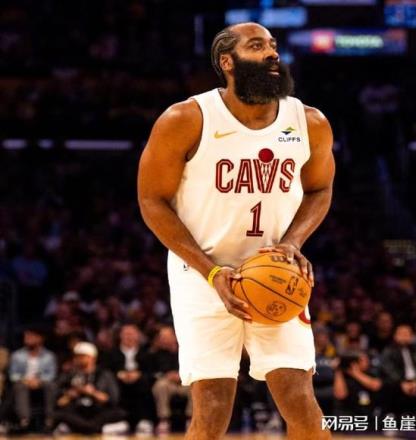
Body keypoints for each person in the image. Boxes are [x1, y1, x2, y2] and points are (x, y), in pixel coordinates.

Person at [138, 22, 335, 440]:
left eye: (273, 46)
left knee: (302, 405)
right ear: (227, 62)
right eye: (257, 46)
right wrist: (211, 272)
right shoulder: (185, 119)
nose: (272, 53)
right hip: (202, 274)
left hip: (274, 273)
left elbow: (320, 188)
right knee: (211, 413)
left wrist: (293, 241)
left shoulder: (310, 122)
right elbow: (152, 200)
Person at [53, 342, 126, 435]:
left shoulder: (104, 374)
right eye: (76, 356)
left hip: (98, 411)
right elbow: (59, 402)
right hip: (78, 410)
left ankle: (81, 428)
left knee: (118, 412)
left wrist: (92, 392)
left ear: (92, 358)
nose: (78, 359)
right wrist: (70, 394)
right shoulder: (68, 375)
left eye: (82, 356)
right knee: (60, 414)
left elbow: (112, 400)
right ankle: (97, 429)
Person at [104, 324, 154, 435]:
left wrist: (139, 374)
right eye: (126, 334)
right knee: (112, 384)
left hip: (140, 383)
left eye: (132, 334)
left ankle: (144, 420)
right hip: (118, 382)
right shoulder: (111, 353)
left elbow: (151, 371)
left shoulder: (146, 353)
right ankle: (119, 421)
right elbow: (106, 370)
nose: (129, 337)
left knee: (143, 383)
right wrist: (119, 374)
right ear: (120, 336)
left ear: (138, 336)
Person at [379, 324, 416, 419]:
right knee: (388, 385)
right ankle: (390, 415)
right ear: (395, 336)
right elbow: (388, 368)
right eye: (401, 334)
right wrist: (401, 382)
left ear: (412, 336)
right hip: (398, 380)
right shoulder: (389, 350)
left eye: (407, 334)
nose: (404, 337)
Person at [8, 328, 57, 431]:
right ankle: (24, 419)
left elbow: (51, 374)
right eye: (26, 336)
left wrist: (39, 381)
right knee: (19, 387)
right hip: (23, 382)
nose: (27, 338)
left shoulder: (49, 356)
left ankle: (50, 418)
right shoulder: (17, 355)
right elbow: (13, 374)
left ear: (40, 338)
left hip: (41, 382)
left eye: (30, 336)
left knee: (51, 385)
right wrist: (25, 380)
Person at [149, 326, 192, 434]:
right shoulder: (155, 354)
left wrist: (181, 375)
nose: (164, 339)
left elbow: (194, 367)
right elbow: (153, 373)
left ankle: (191, 419)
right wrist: (166, 375)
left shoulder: (186, 350)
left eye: (167, 336)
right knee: (160, 385)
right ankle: (164, 420)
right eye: (162, 337)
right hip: (168, 384)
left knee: (196, 385)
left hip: (185, 382)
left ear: (175, 336)